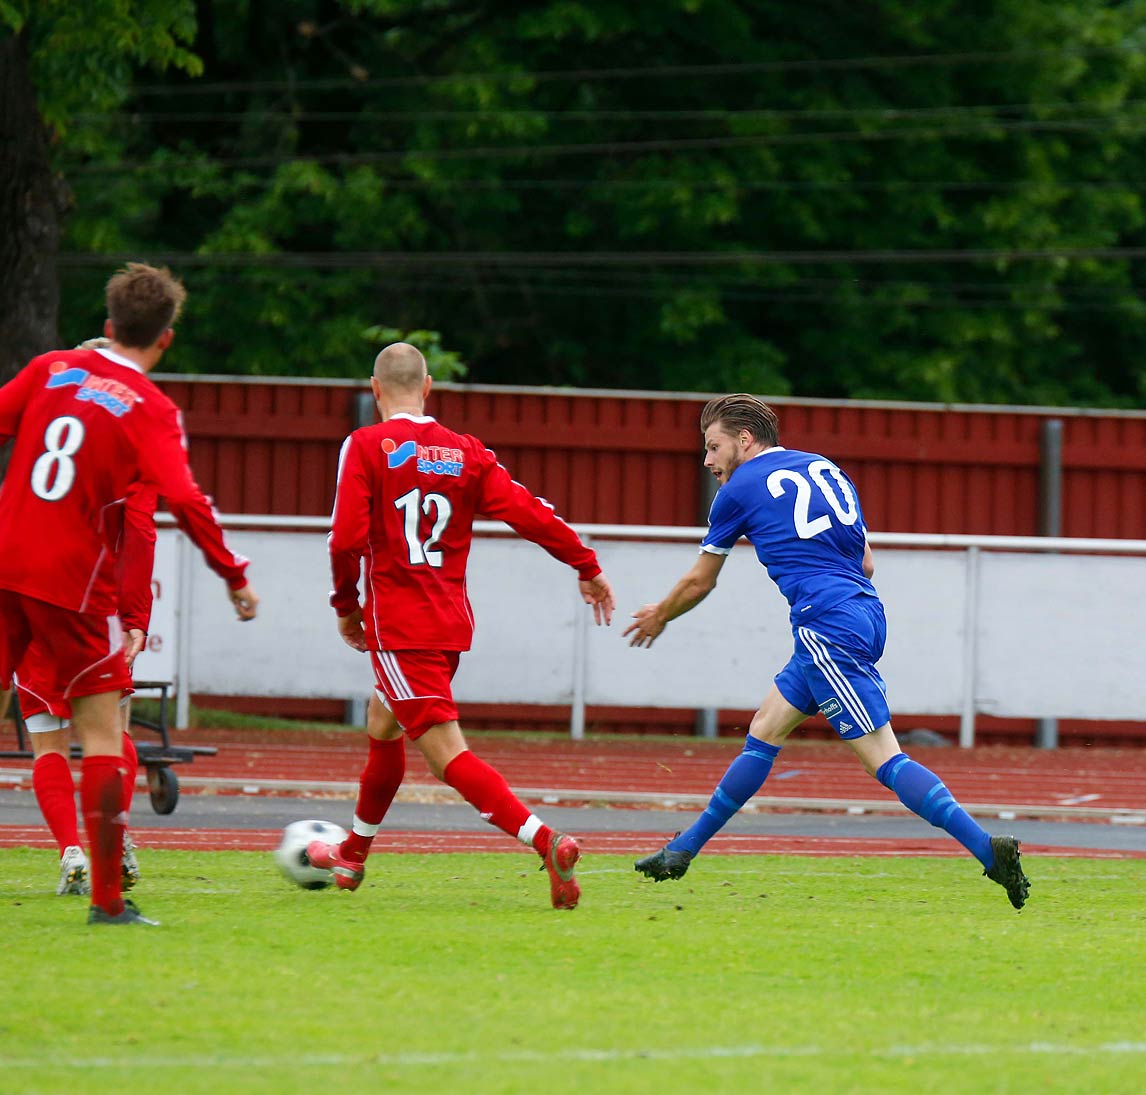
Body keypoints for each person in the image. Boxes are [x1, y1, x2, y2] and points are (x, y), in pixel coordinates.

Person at [622, 393, 1030, 909]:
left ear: (744, 440)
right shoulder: (826, 469)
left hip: (825, 626)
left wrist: (660, 613)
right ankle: (683, 850)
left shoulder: (738, 490)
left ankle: (989, 852)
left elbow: (701, 582)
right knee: (765, 729)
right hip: (860, 614)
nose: (707, 460)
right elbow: (867, 564)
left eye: (713, 446)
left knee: (883, 758)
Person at [312, 342, 615, 909]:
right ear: (428, 388)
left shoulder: (365, 445)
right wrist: (585, 563)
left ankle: (546, 841)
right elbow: (529, 510)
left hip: (401, 628)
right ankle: (353, 854)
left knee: (446, 754)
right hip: (448, 624)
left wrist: (344, 606)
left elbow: (346, 539)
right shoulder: (465, 451)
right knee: (382, 723)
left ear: (374, 390)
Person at [0, 263, 258, 926]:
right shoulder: (151, 409)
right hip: (72, 583)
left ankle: (85, 868)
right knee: (103, 732)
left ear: (109, 326)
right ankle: (108, 900)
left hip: (5, 557)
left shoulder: (53, 367)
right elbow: (183, 499)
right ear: (165, 339)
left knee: (51, 727)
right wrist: (233, 574)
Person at [14, 481, 156, 897]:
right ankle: (118, 838)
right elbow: (140, 535)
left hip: (32, 602)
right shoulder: (128, 453)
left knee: (48, 745)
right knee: (112, 735)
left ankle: (71, 851)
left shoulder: (33, 444)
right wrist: (136, 615)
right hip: (96, 608)